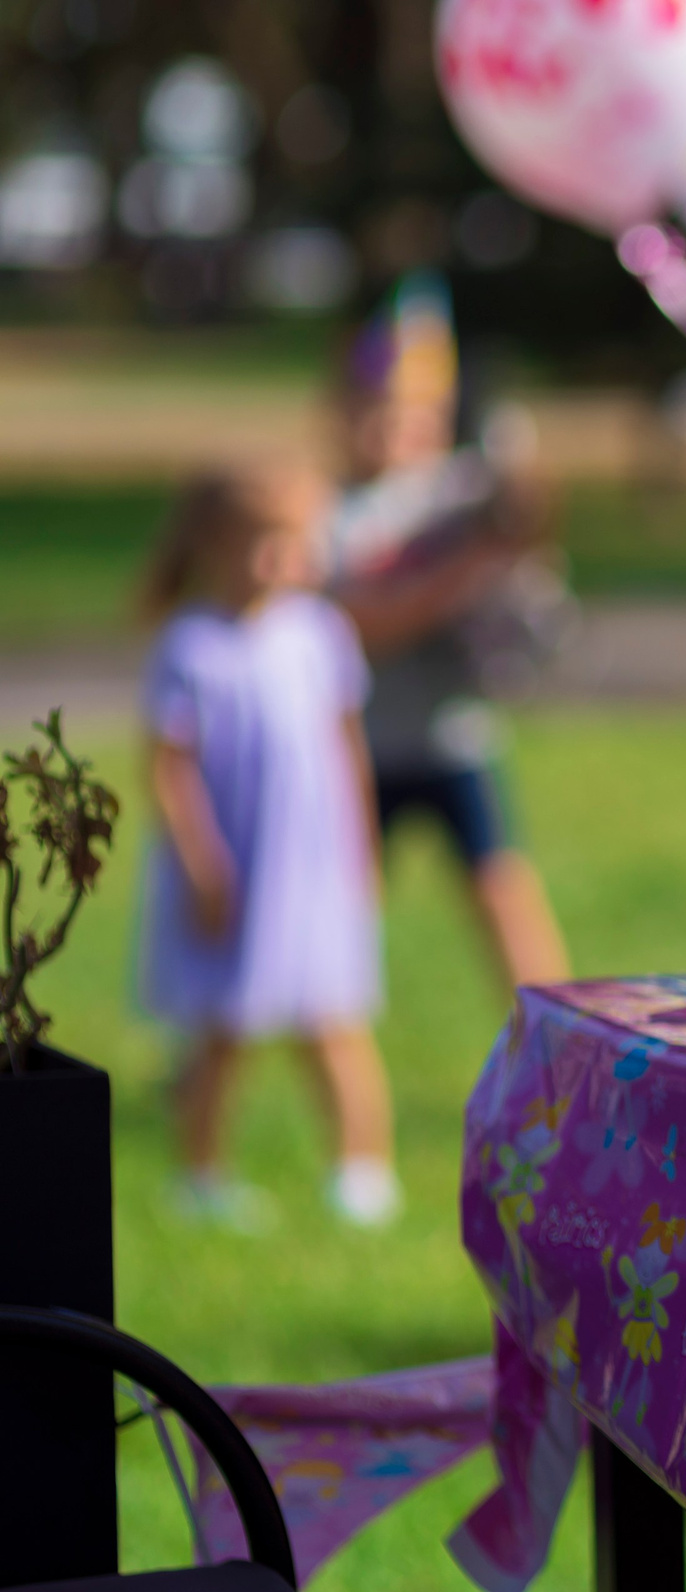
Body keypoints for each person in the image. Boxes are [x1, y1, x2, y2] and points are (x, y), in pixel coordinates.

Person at [139, 462, 399, 1228]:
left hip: (312, 867)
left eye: (297, 542)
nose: (283, 561)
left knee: (335, 1019)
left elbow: (345, 746)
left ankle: (361, 1170)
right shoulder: (190, 646)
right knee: (225, 1030)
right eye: (263, 544)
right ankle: (201, 1174)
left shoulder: (321, 632)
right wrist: (200, 862)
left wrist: (362, 847)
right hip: (239, 872)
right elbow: (167, 766)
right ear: (214, 545)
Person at [326, 275, 571, 992]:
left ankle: (558, 1044)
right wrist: (461, 574)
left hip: (455, 739)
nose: (399, 431)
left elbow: (522, 508)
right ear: (341, 414)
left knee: (505, 900)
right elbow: (357, 625)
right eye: (380, 413)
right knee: (336, 912)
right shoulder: (330, 514)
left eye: (416, 414)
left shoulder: (459, 489)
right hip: (364, 746)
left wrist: (520, 482)